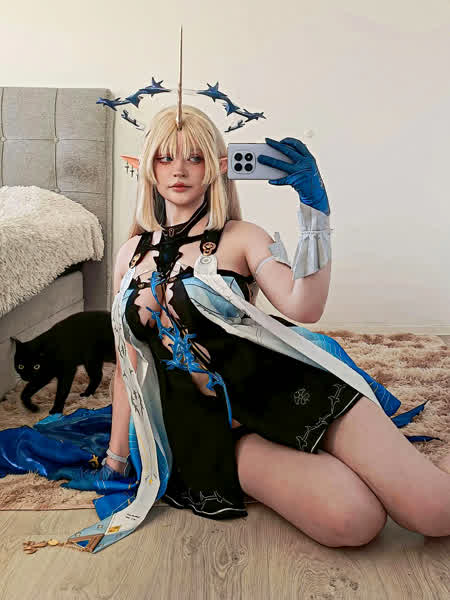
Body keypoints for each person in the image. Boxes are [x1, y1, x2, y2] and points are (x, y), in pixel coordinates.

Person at [66, 103, 450, 551]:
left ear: (217, 167)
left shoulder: (243, 237)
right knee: (356, 521)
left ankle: (363, 456)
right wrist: (115, 461)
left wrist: (314, 210)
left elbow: (305, 307)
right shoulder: (129, 255)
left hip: (292, 390)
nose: (179, 170)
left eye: (195, 157)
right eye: (165, 158)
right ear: (148, 167)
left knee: (436, 510)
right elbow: (128, 366)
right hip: (221, 433)